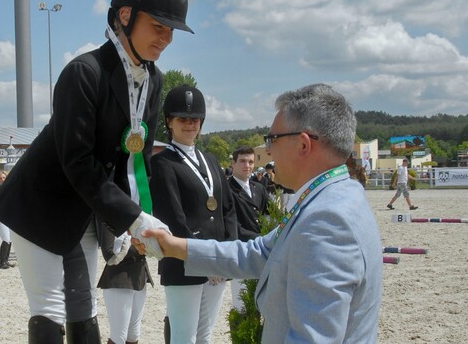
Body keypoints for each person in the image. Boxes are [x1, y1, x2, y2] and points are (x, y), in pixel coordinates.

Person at [0, 0, 194, 343]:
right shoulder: (84, 72)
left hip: (86, 207)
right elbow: (78, 161)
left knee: (84, 305)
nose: (167, 38)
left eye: (171, 30)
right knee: (51, 306)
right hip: (42, 204)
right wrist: (133, 218)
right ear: (125, 16)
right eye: (159, 26)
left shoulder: (152, 80)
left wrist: (140, 218)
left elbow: (136, 160)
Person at [138, 84, 383, 343]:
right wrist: (176, 246)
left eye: (272, 140)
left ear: (303, 145)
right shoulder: (336, 199)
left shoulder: (327, 221)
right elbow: (258, 253)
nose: (267, 152)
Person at [149, 85, 238, 344]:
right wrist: (205, 260)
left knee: (205, 336)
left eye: (194, 119)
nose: (189, 125)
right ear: (170, 122)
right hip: (184, 263)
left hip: (218, 264)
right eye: (182, 119)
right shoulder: (162, 162)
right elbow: (174, 219)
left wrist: (226, 254)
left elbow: (227, 210)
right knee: (183, 337)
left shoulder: (210, 160)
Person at [97, 222, 153, 344]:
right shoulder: (109, 212)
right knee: (119, 336)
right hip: (119, 277)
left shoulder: (140, 207)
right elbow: (109, 251)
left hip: (139, 275)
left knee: (133, 335)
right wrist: (143, 244)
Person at [228, 146, 269, 310]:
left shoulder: (259, 188)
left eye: (251, 162)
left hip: (261, 250)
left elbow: (269, 215)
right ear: (234, 163)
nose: (247, 165)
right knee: (242, 305)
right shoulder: (226, 189)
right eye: (243, 161)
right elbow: (231, 224)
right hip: (241, 250)